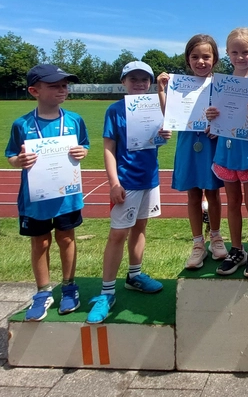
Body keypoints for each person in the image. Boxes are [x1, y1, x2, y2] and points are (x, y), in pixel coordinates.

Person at [86, 61, 171, 324]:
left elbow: (167, 125)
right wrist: (113, 183)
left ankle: (135, 275)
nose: (138, 83)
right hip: (126, 181)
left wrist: (163, 134)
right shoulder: (115, 110)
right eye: (133, 79)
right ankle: (106, 292)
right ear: (123, 81)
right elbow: (109, 148)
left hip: (150, 178)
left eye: (143, 79)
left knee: (141, 227)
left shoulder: (154, 106)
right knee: (117, 234)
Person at [5, 64, 88, 321]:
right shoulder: (22, 124)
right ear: (34, 90)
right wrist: (19, 161)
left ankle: (69, 286)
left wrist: (82, 152)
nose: (62, 90)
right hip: (36, 199)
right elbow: (10, 155)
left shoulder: (74, 120)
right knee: (40, 242)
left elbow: (83, 145)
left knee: (66, 239)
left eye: (64, 85)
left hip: (67, 196)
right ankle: (42, 292)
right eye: (54, 85)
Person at [157, 35, 226, 270]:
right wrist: (162, 91)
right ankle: (198, 244)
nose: (201, 61)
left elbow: (228, 115)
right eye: (195, 57)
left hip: (210, 143)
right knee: (194, 195)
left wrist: (217, 127)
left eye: (206, 56)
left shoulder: (221, 84)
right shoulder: (179, 84)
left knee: (213, 192)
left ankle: (216, 237)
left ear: (214, 59)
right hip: (188, 143)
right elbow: (171, 116)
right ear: (188, 59)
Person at [208, 28, 248, 278]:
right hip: (226, 153)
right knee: (232, 203)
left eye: (245, 51)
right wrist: (211, 118)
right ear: (227, 53)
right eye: (234, 52)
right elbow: (215, 118)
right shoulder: (221, 83)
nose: (240, 56)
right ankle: (237, 250)